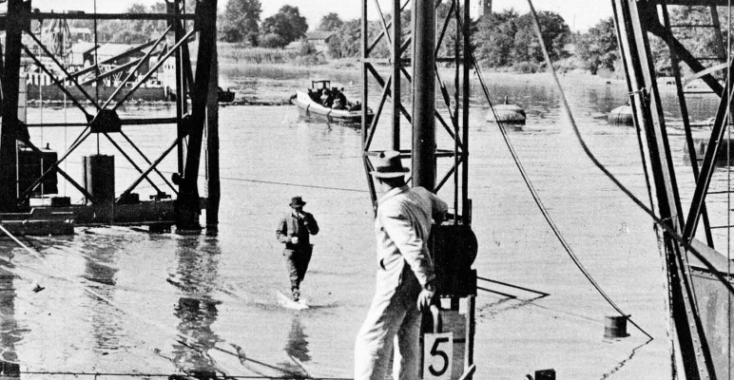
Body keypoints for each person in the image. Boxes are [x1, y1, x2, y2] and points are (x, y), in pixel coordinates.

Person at [354, 151, 448, 380]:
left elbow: (413, 246)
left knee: (372, 338)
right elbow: (442, 207)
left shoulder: (390, 208)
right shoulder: (420, 194)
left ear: (379, 179)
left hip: (397, 281)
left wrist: (430, 284)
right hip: (416, 284)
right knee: (408, 338)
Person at [276, 196, 320, 302]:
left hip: (305, 250)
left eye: (299, 207)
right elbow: (278, 234)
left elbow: (315, 231)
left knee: (300, 275)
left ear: (302, 207)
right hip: (290, 251)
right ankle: (295, 293)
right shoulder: (286, 218)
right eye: (296, 208)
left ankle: (295, 290)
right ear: (292, 207)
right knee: (294, 273)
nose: (298, 209)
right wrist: (288, 239)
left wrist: (307, 223)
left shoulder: (308, 216)